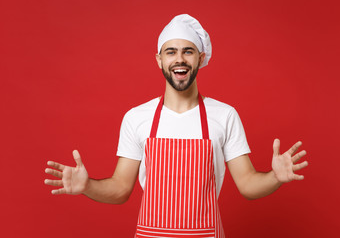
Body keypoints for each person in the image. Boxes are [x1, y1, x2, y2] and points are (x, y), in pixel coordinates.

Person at [44, 14, 308, 237]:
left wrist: (275, 177)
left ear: (200, 58)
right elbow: (121, 189)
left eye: (187, 51)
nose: (179, 59)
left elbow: (248, 185)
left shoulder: (224, 115)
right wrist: (87, 185)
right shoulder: (137, 118)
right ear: (159, 59)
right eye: (171, 52)